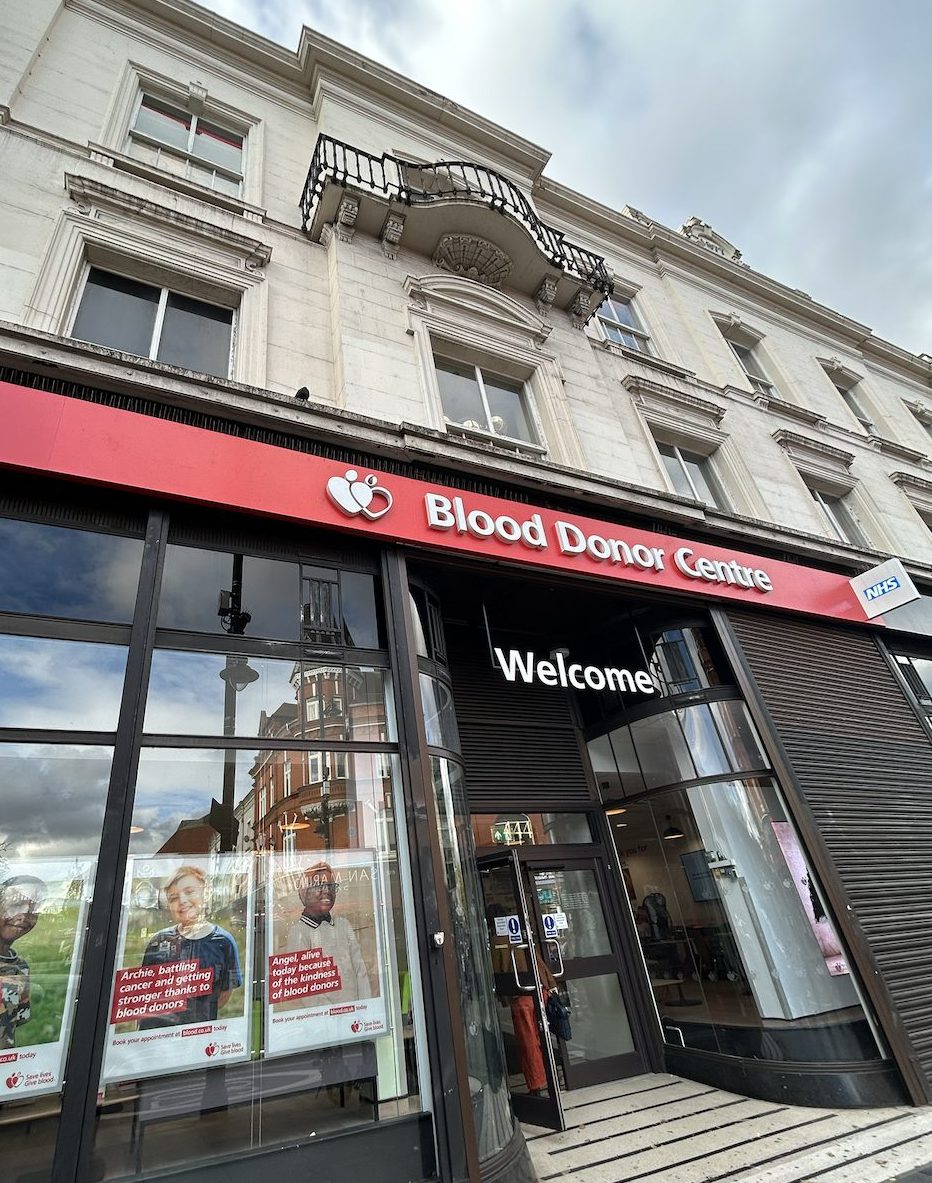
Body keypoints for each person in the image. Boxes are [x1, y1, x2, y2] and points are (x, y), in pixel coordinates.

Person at [138, 864, 242, 1030]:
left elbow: (224, 992)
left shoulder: (223, 941)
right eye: (173, 898)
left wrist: (196, 1015)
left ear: (205, 893)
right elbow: (145, 992)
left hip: (197, 1033)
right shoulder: (159, 941)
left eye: (189, 891)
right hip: (156, 1032)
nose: (182, 901)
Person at [488, 910, 558, 1096]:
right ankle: (551, 1078)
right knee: (541, 1037)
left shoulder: (498, 941)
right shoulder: (521, 936)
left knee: (528, 1042)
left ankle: (536, 1085)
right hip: (540, 990)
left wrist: (502, 996)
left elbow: (498, 969)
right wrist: (550, 984)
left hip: (522, 996)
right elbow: (538, 962)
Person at [285, 861, 371, 1003]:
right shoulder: (299, 933)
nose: (326, 891)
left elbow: (360, 971)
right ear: (304, 892)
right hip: (327, 1019)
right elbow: (306, 988)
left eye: (330, 886)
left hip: (356, 1014)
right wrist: (332, 1015)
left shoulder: (344, 925)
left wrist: (365, 1006)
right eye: (319, 885)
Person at [0, 876, 45, 1049]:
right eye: (16, 905)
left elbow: (16, 1021)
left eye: (34, 909)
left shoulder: (20, 968)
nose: (25, 915)